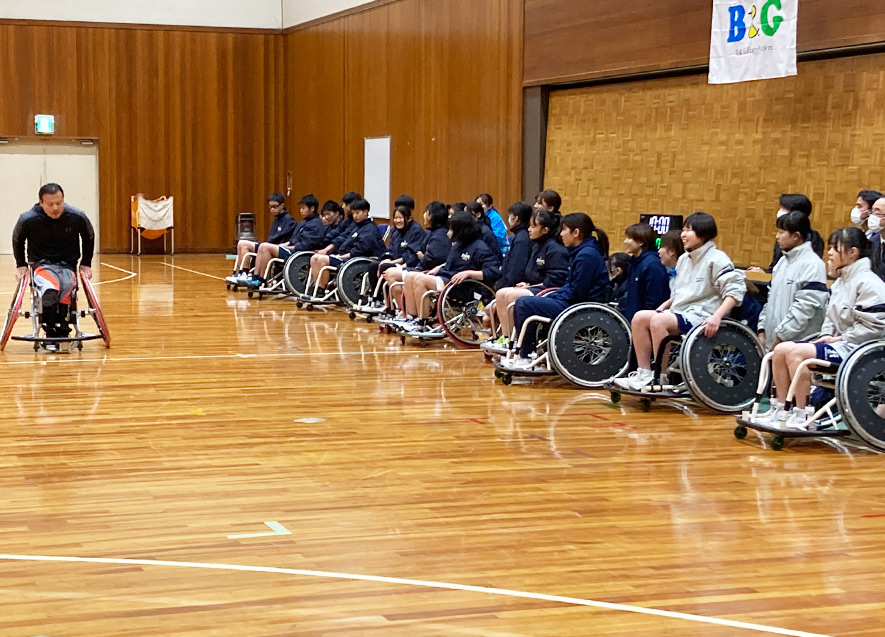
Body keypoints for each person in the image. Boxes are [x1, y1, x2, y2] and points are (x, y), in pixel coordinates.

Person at [757, 227, 885, 427]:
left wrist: (839, 339)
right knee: (780, 350)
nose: (830, 253)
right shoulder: (840, 283)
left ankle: (803, 414)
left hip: (857, 350)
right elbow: (829, 318)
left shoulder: (870, 284)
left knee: (796, 354)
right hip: (838, 345)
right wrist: (826, 335)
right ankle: (781, 409)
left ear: (853, 252)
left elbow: (874, 328)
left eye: (836, 248)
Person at [616, 212, 746, 391]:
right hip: (681, 313)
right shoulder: (684, 259)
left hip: (703, 316)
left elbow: (735, 292)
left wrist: (716, 317)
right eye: (683, 230)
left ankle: (660, 376)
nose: (683, 234)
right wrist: (662, 307)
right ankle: (644, 373)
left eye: (689, 230)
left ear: (703, 233)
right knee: (640, 317)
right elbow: (682, 292)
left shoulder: (717, 259)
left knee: (658, 320)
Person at [502, 212, 610, 369]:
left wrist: (556, 295)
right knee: (524, 302)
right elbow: (571, 287)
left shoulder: (587, 256)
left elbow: (578, 292)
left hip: (580, 307)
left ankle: (526, 355)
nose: (561, 234)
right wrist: (556, 294)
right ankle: (523, 351)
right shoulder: (581, 252)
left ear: (576, 232)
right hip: (572, 301)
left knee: (524, 304)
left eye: (564, 230)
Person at [12, 183, 95, 349]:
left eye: (59, 203)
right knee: (51, 287)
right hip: (42, 264)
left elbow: (88, 236)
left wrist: (86, 263)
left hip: (67, 264)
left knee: (67, 288)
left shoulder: (76, 216)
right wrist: (20, 264)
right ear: (40, 203)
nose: (56, 208)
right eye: (50, 204)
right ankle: (49, 328)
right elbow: (17, 239)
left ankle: (64, 328)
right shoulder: (28, 219)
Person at [482, 207, 569, 352]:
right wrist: (528, 284)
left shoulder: (555, 249)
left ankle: (517, 340)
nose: (529, 229)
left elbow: (556, 281)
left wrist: (531, 286)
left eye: (533, 226)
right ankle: (506, 338)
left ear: (545, 230)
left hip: (549, 291)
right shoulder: (537, 246)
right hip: (536, 286)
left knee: (510, 296)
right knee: (501, 293)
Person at [398, 211, 500, 332]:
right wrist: (439, 268)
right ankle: (412, 318)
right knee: (410, 277)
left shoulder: (480, 247)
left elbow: (493, 272)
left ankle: (422, 322)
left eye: (451, 229)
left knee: (420, 280)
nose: (448, 232)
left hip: (463, 287)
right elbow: (452, 263)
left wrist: (469, 273)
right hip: (447, 278)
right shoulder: (458, 245)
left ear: (461, 229)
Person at [757, 212, 828, 352]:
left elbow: (804, 309)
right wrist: (762, 329)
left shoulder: (813, 264)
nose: (777, 237)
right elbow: (769, 300)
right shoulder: (781, 263)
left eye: (781, 232)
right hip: (773, 344)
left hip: (796, 346)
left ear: (796, 236)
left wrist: (780, 338)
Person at [244, 194, 326, 288]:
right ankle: (255, 277)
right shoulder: (303, 222)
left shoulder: (315, 225)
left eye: (303, 208)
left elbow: (305, 245)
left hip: (298, 253)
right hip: (292, 249)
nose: (301, 211)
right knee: (264, 245)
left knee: (266, 247)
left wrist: (287, 247)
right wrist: (284, 245)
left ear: (312, 208)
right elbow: (292, 240)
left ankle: (262, 279)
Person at [307, 198, 385, 293]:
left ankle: (323, 289)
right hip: (346, 256)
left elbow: (359, 250)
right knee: (314, 258)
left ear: (366, 212)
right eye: (353, 213)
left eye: (358, 213)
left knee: (322, 260)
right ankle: (317, 286)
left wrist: (340, 256)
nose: (355, 216)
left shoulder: (369, 229)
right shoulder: (357, 226)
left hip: (359, 259)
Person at [228, 193, 296, 283]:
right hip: (268, 245)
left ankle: (248, 274)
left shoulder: (289, 220)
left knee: (249, 245)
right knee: (241, 243)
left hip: (275, 247)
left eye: (275, 206)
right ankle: (241, 273)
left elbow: (275, 239)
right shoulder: (276, 218)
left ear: (282, 205)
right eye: (270, 207)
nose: (272, 209)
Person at [748, 194, 823, 272]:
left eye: (783, 209)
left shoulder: (814, 238)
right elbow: (775, 267)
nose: (780, 211)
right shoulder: (783, 238)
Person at [619, 223, 670, 322]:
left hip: (646, 322)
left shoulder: (652, 265)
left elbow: (654, 300)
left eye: (629, 238)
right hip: (632, 320)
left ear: (640, 241)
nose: (625, 241)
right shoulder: (634, 263)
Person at [658, 229, 684, 293]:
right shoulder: (671, 274)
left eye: (661, 247)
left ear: (672, 251)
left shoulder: (686, 275)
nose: (659, 251)